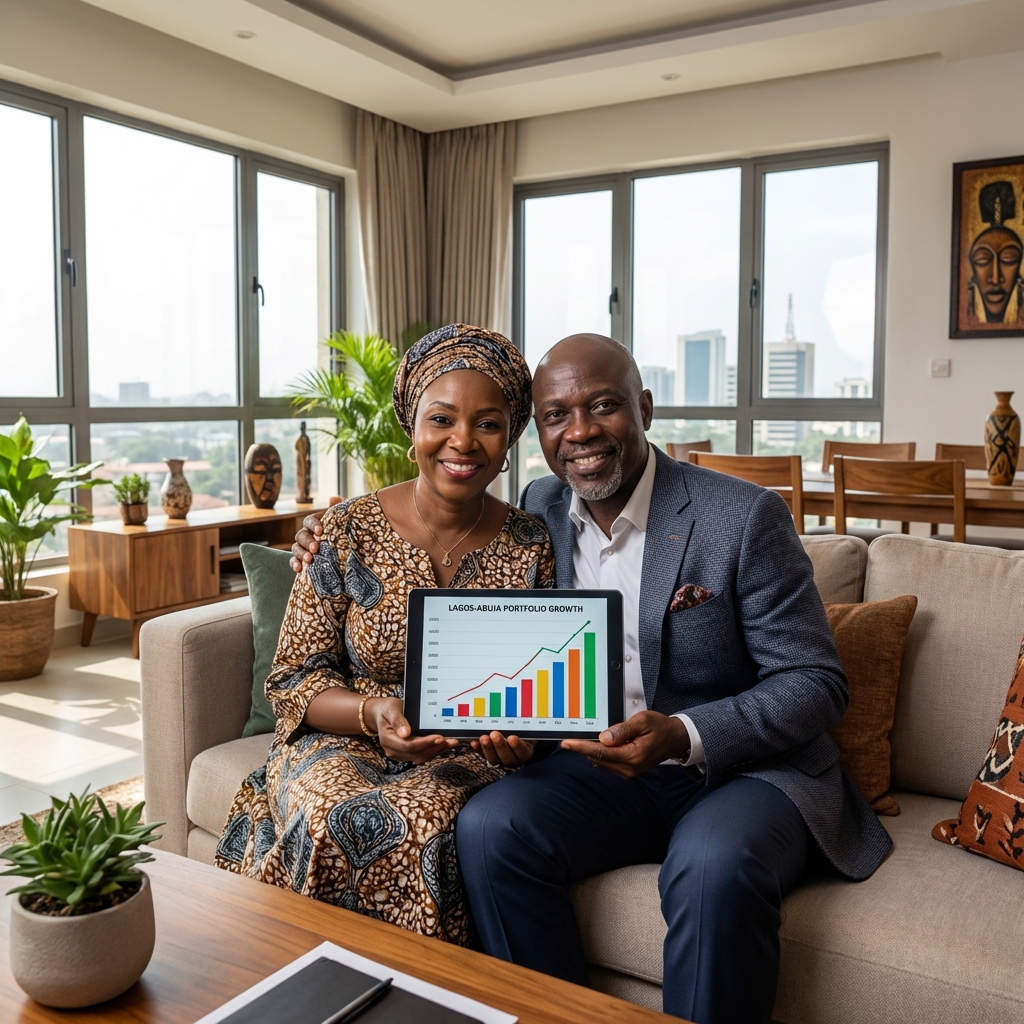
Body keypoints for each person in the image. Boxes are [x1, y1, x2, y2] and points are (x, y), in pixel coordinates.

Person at [291, 334, 891, 1023]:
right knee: (491, 826)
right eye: (556, 416)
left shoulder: (743, 516)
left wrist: (683, 733)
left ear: (644, 408)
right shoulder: (538, 510)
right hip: (600, 768)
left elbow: (815, 679)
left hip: (742, 772)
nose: (580, 432)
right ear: (537, 431)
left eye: (603, 407)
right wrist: (318, 531)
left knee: (712, 866)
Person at [217, 324, 553, 946]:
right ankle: (301, 980)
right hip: (344, 733)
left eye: (487, 423)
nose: (462, 441)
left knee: (424, 819)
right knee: (329, 812)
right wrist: (376, 714)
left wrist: (522, 738)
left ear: (509, 441)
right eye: (442, 419)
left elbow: (543, 682)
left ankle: (418, 996)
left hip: (468, 752)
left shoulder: (533, 543)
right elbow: (293, 679)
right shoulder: (344, 530)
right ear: (412, 429)